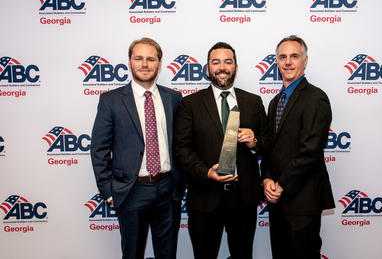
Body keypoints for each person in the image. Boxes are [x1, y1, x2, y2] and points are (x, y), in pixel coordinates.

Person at [90, 37, 183, 259]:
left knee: (167, 253)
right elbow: (99, 149)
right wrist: (108, 190)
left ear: (160, 64)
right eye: (138, 58)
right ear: (130, 62)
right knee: (132, 253)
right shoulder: (110, 100)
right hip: (131, 191)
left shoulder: (174, 98)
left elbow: (181, 143)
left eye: (151, 59)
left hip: (168, 189)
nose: (144, 64)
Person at [173, 42, 268, 259]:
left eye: (228, 62)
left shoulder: (253, 102)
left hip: (243, 199)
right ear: (207, 68)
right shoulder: (190, 104)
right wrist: (206, 172)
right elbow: (181, 149)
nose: (222, 67)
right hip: (204, 198)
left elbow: (268, 142)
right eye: (216, 62)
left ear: (235, 67)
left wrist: (255, 142)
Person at [261, 35, 335, 259]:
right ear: (276, 62)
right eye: (282, 57)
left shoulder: (316, 98)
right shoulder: (276, 102)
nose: (288, 62)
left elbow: (310, 151)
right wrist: (266, 179)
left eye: (294, 56)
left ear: (305, 60)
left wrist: (281, 184)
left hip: (303, 200)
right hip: (277, 201)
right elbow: (271, 149)